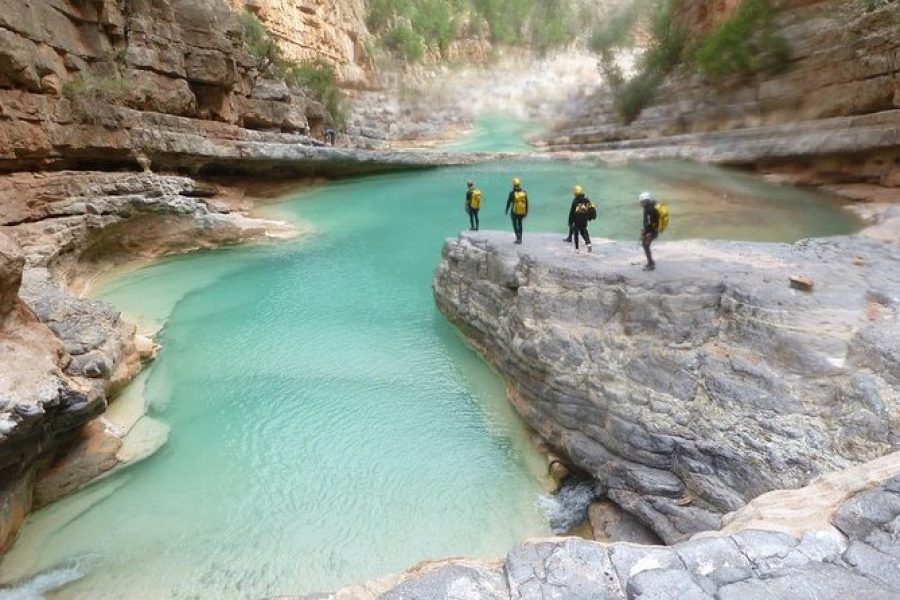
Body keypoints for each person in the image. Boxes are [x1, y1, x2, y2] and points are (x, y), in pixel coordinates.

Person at [568, 185, 595, 253]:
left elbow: (572, 212)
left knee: (576, 233)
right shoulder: (586, 200)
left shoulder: (575, 201)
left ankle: (577, 249)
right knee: (584, 231)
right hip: (584, 219)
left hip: (577, 220)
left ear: (575, 193)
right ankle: (588, 243)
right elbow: (591, 209)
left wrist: (570, 221)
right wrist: (590, 217)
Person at [640, 191, 660, 271]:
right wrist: (644, 230)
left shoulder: (650, 210)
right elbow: (649, 222)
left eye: (641, 202)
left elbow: (651, 223)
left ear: (645, 201)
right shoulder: (650, 207)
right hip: (651, 231)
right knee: (645, 245)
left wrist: (646, 233)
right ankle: (651, 262)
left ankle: (651, 264)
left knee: (645, 245)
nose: (640, 204)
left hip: (651, 232)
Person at [505, 177, 528, 244]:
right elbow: (526, 203)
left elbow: (508, 202)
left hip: (514, 211)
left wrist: (506, 210)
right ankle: (520, 238)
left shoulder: (512, 193)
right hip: (522, 211)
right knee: (520, 224)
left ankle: (517, 238)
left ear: (513, 184)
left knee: (515, 225)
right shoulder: (524, 192)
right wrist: (526, 212)